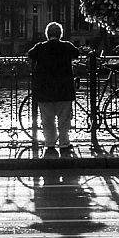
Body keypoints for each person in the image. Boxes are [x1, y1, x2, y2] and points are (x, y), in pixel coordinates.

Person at [26, 21, 80, 157]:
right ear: (60, 34)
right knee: (64, 119)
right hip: (64, 90)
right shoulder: (66, 46)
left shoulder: (40, 47)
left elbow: (30, 54)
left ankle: (50, 143)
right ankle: (64, 143)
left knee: (47, 119)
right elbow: (77, 53)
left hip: (45, 90)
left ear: (47, 34)